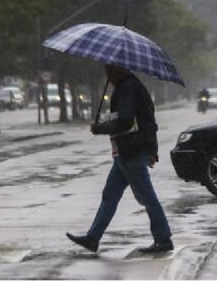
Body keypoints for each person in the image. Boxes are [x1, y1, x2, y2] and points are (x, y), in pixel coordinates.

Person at [66, 64, 173, 254]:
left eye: (109, 72)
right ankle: (93, 238)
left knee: (147, 198)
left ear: (119, 70)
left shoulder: (128, 88)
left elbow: (125, 120)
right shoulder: (128, 87)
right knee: (110, 196)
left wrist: (101, 128)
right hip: (124, 154)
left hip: (132, 152)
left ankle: (163, 239)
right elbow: (143, 120)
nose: (108, 76)